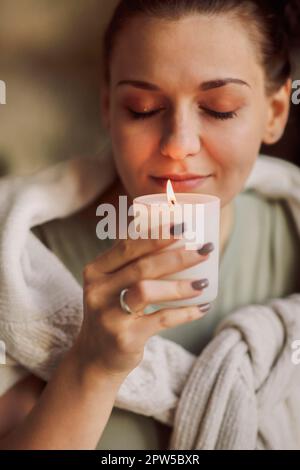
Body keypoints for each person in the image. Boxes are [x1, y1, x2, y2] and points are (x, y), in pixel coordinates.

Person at [0, 0, 300, 450]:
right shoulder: (23, 262)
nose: (178, 145)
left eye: (219, 109)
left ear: (275, 112)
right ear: (108, 108)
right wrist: (91, 368)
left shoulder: (291, 233)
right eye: (141, 109)